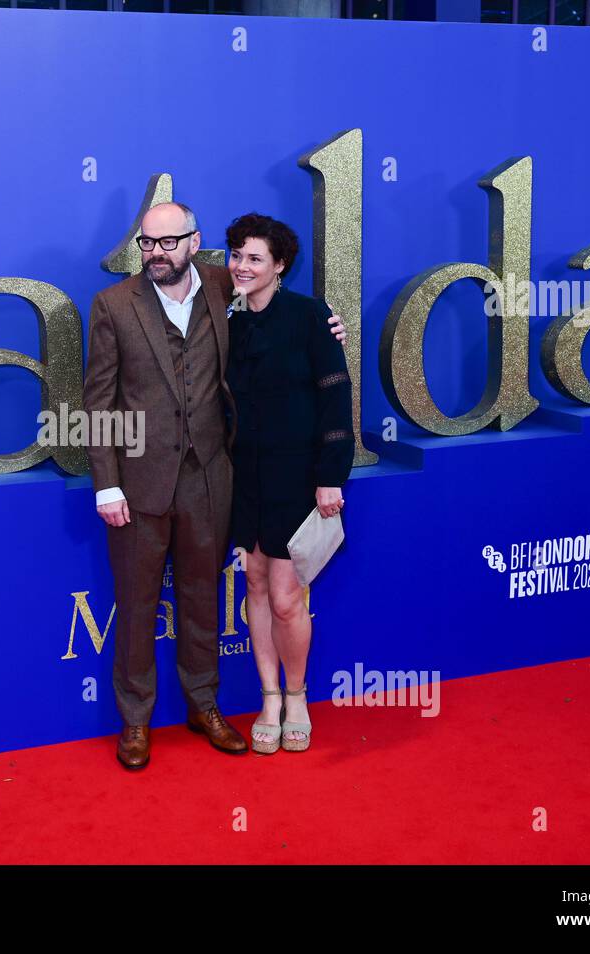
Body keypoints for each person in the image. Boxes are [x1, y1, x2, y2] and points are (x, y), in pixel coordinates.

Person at [82, 201, 345, 770]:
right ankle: (135, 721)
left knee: (203, 600)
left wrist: (329, 324)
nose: (156, 253)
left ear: (193, 242)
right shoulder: (113, 305)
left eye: (168, 242)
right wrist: (106, 485)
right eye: (147, 244)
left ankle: (205, 706)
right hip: (139, 484)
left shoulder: (225, 284)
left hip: (209, 481)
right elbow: (97, 403)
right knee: (136, 606)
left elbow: (283, 303)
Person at [223, 212, 354, 755]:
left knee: (284, 599)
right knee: (253, 586)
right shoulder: (227, 324)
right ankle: (269, 697)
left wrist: (331, 477)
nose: (242, 267)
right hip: (242, 478)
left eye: (255, 258)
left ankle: (297, 696)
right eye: (236, 256)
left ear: (280, 265)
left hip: (298, 477)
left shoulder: (310, 317)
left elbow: (336, 397)